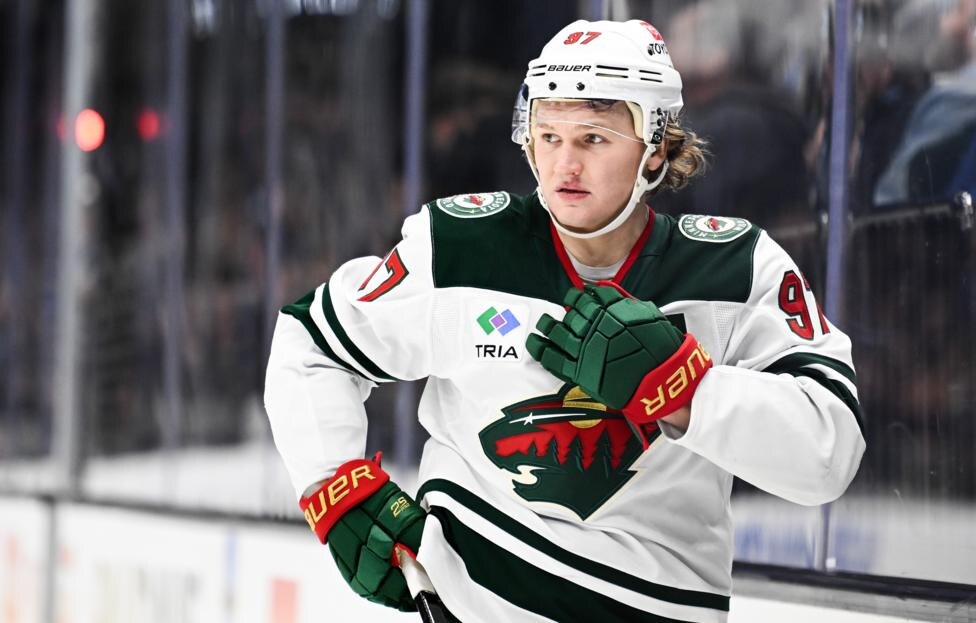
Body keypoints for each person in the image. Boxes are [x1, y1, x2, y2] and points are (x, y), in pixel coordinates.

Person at [264, 19, 866, 623]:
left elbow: (828, 453)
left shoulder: (735, 269)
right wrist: (333, 488)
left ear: (656, 147)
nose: (564, 166)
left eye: (594, 139)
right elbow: (311, 343)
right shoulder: (461, 248)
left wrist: (685, 389)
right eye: (548, 136)